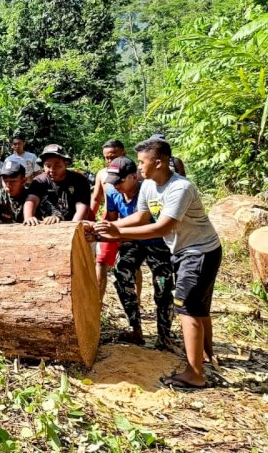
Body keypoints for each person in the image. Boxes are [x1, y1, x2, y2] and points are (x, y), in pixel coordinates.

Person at [95, 138, 222, 390]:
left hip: (199, 252)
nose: (139, 166)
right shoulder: (149, 186)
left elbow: (162, 227)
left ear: (159, 162)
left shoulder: (180, 188)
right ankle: (207, 355)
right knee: (199, 308)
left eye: (142, 162)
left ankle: (195, 374)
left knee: (187, 309)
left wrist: (117, 233)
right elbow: (141, 217)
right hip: (186, 251)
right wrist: (107, 227)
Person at [98, 157, 176, 349]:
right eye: (113, 182)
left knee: (163, 286)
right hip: (130, 240)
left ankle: (164, 336)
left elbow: (145, 222)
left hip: (157, 242)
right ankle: (135, 329)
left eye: (120, 181)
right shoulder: (112, 192)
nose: (116, 186)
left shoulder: (149, 191)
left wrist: (114, 231)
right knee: (122, 275)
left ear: (134, 177)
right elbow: (113, 222)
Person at [89, 140, 141, 305]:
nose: (110, 160)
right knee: (101, 260)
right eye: (107, 157)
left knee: (132, 262)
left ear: (123, 154)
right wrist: (90, 219)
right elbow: (96, 198)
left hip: (132, 222)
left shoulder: (135, 174)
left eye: (113, 156)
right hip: (109, 220)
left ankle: (136, 300)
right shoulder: (101, 174)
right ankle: (98, 303)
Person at [24, 144, 90, 225]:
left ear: (66, 164)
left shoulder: (79, 180)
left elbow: (82, 207)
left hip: (72, 222)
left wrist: (73, 226)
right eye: (48, 166)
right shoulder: (39, 181)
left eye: (57, 166)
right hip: (44, 225)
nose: (52, 170)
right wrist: (28, 217)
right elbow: (31, 201)